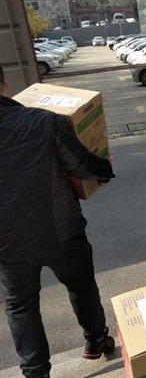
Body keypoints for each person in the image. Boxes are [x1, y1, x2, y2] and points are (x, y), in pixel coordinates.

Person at [0, 66, 116, 378]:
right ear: (4, 84)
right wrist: (105, 168)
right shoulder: (43, 120)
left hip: (7, 243)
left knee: (21, 305)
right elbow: (80, 164)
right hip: (60, 229)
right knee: (81, 285)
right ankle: (96, 340)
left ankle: (35, 372)